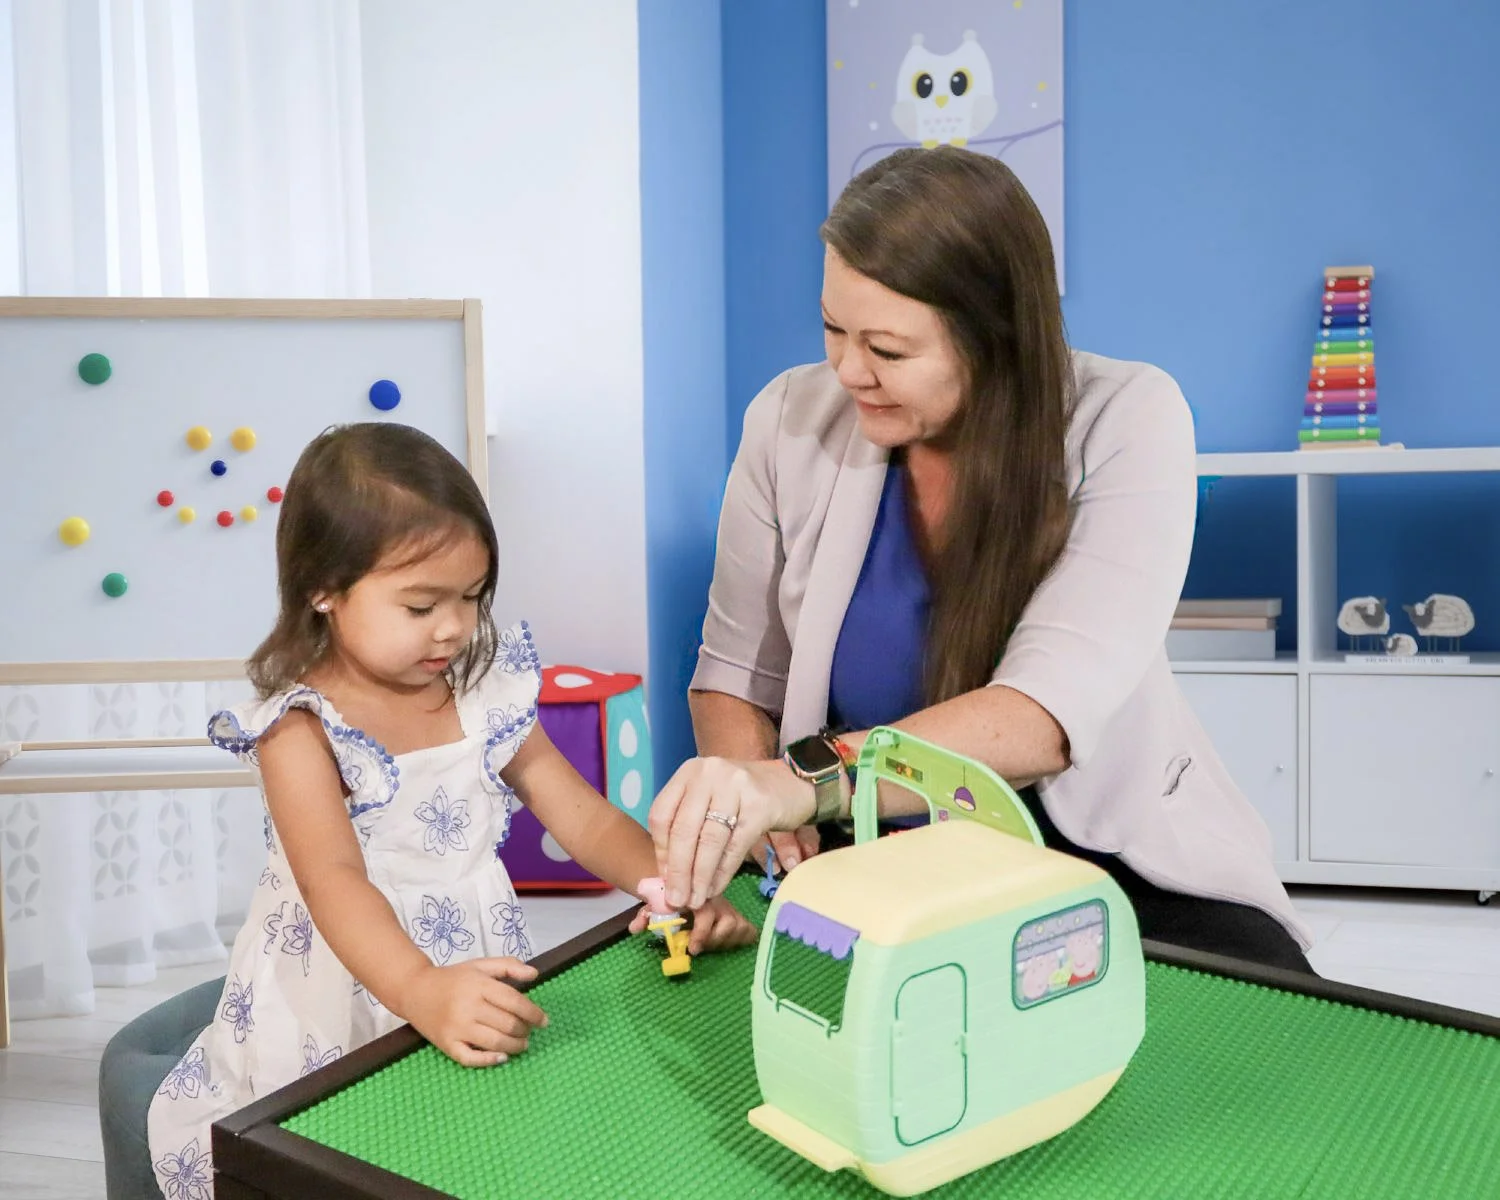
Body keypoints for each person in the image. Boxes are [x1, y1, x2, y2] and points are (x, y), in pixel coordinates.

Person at [648, 146, 1315, 974]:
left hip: (1097, 860)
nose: (850, 371)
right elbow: (736, 674)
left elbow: (1042, 718)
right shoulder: (787, 419)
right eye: (832, 330)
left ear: (992, 335)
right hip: (865, 859)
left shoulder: (1129, 418)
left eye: (888, 350)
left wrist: (801, 781)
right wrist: (756, 796)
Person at [147, 423, 754, 1197]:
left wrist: (671, 890)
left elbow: (583, 816)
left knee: (458, 1138)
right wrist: (420, 990)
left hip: (472, 950)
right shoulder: (299, 727)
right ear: (323, 590)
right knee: (339, 1150)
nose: (454, 628)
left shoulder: (481, 688)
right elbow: (335, 881)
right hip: (348, 976)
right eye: (420, 604)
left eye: (471, 597)